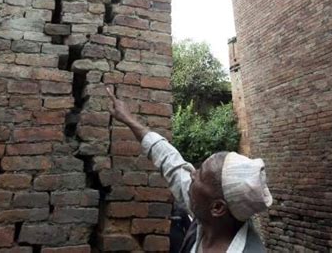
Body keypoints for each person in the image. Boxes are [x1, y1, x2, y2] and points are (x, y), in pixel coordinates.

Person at [106, 88, 273, 253]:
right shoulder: (209, 220)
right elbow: (171, 161)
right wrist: (128, 118)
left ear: (217, 208)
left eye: (199, 176)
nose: (191, 174)